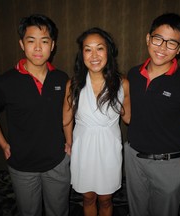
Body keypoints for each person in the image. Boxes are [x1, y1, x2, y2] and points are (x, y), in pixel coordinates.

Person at [0, 14, 70, 216]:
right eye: (31, 41)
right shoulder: (6, 81)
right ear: (22, 44)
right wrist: (3, 143)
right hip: (22, 165)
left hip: (56, 161)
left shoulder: (61, 78)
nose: (38, 48)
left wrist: (69, 142)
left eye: (44, 41)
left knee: (59, 211)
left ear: (52, 45)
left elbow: (67, 115)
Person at [124, 13, 180, 216]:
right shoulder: (133, 75)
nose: (162, 47)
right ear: (148, 38)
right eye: (158, 38)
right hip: (134, 158)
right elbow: (129, 117)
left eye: (171, 43)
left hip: (169, 164)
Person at [63, 27, 131, 216]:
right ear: (82, 54)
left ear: (108, 51)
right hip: (83, 147)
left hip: (109, 147)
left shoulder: (122, 83)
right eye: (88, 49)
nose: (94, 55)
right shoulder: (74, 83)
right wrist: (69, 142)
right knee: (88, 197)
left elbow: (129, 118)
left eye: (99, 48)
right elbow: (66, 120)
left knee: (106, 199)